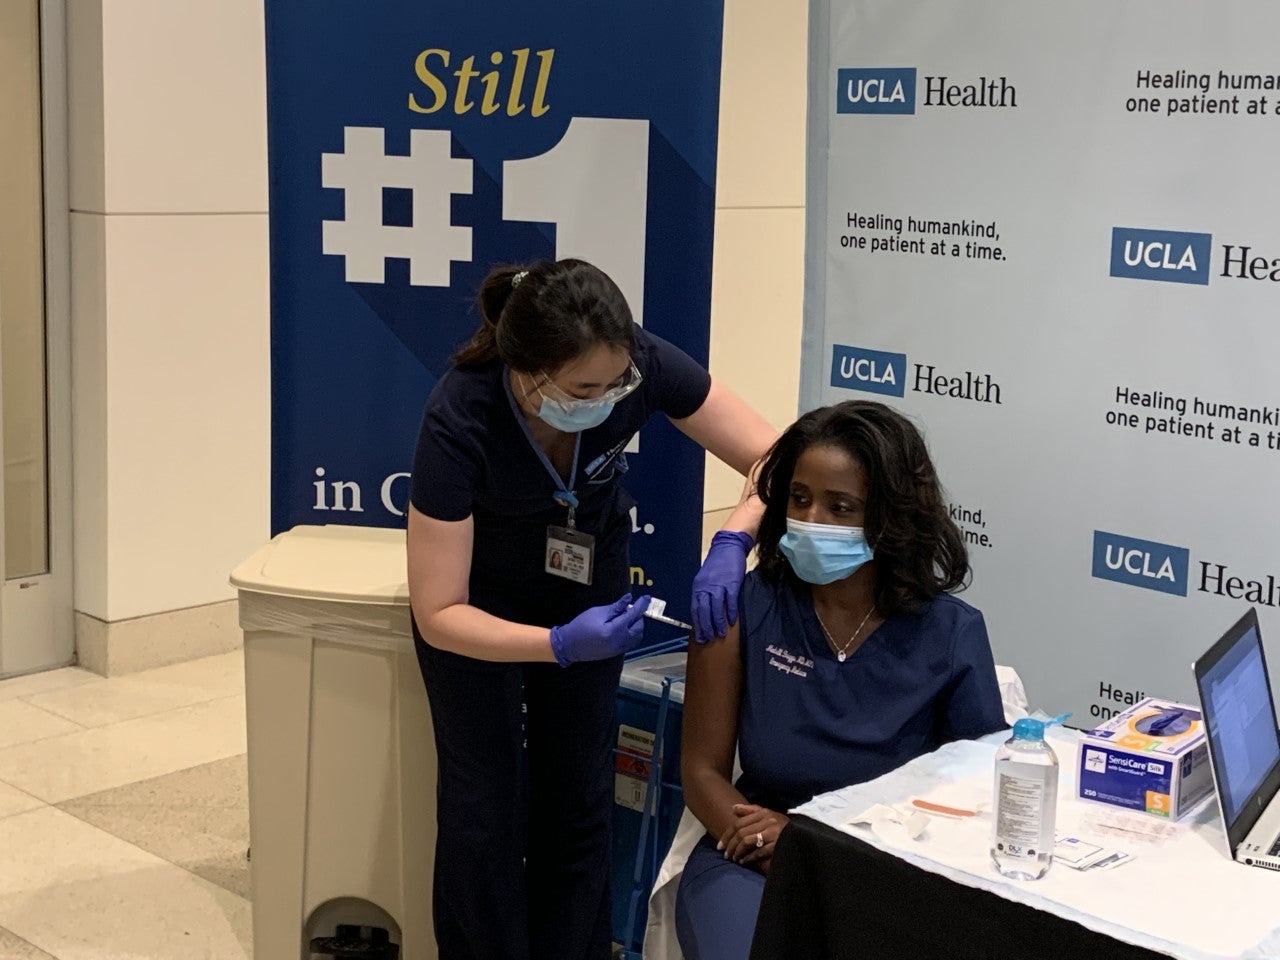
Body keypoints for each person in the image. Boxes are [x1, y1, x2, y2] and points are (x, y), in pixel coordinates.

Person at [406, 258, 776, 960]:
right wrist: (556, 645)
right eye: (583, 390)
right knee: (482, 806)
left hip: (583, 582)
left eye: (616, 385)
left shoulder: (639, 361)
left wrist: (734, 539)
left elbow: (776, 457)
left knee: (577, 793)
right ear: (526, 372)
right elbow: (438, 611)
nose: (604, 400)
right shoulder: (460, 417)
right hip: (477, 605)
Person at [676, 400, 1007, 960]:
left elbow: (974, 799)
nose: (812, 522)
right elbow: (700, 770)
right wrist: (768, 844)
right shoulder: (739, 605)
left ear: (889, 518)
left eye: (841, 507)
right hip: (752, 859)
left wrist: (814, 850)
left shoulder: (951, 633)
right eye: (800, 499)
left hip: (886, 868)